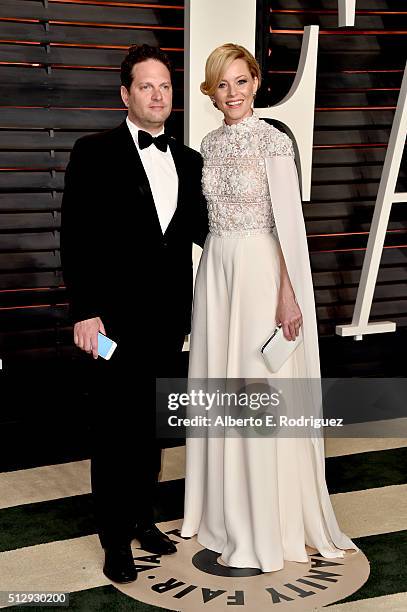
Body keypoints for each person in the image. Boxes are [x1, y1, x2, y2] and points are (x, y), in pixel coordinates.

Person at [180, 43, 358, 572]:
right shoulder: (207, 145)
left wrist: (288, 293)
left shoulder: (275, 144)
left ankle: (265, 520)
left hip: (260, 271)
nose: (231, 93)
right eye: (221, 84)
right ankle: (218, 512)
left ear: (256, 82)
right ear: (211, 92)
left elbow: (289, 228)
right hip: (216, 272)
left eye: (240, 81)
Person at [60, 44, 207, 584]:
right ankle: (113, 539)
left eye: (165, 86)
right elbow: (75, 237)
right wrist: (85, 313)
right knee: (114, 429)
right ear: (126, 94)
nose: (158, 95)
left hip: (169, 322)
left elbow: (206, 234)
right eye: (147, 86)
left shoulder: (189, 160)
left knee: (149, 428)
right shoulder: (92, 151)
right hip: (108, 325)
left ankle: (144, 519)